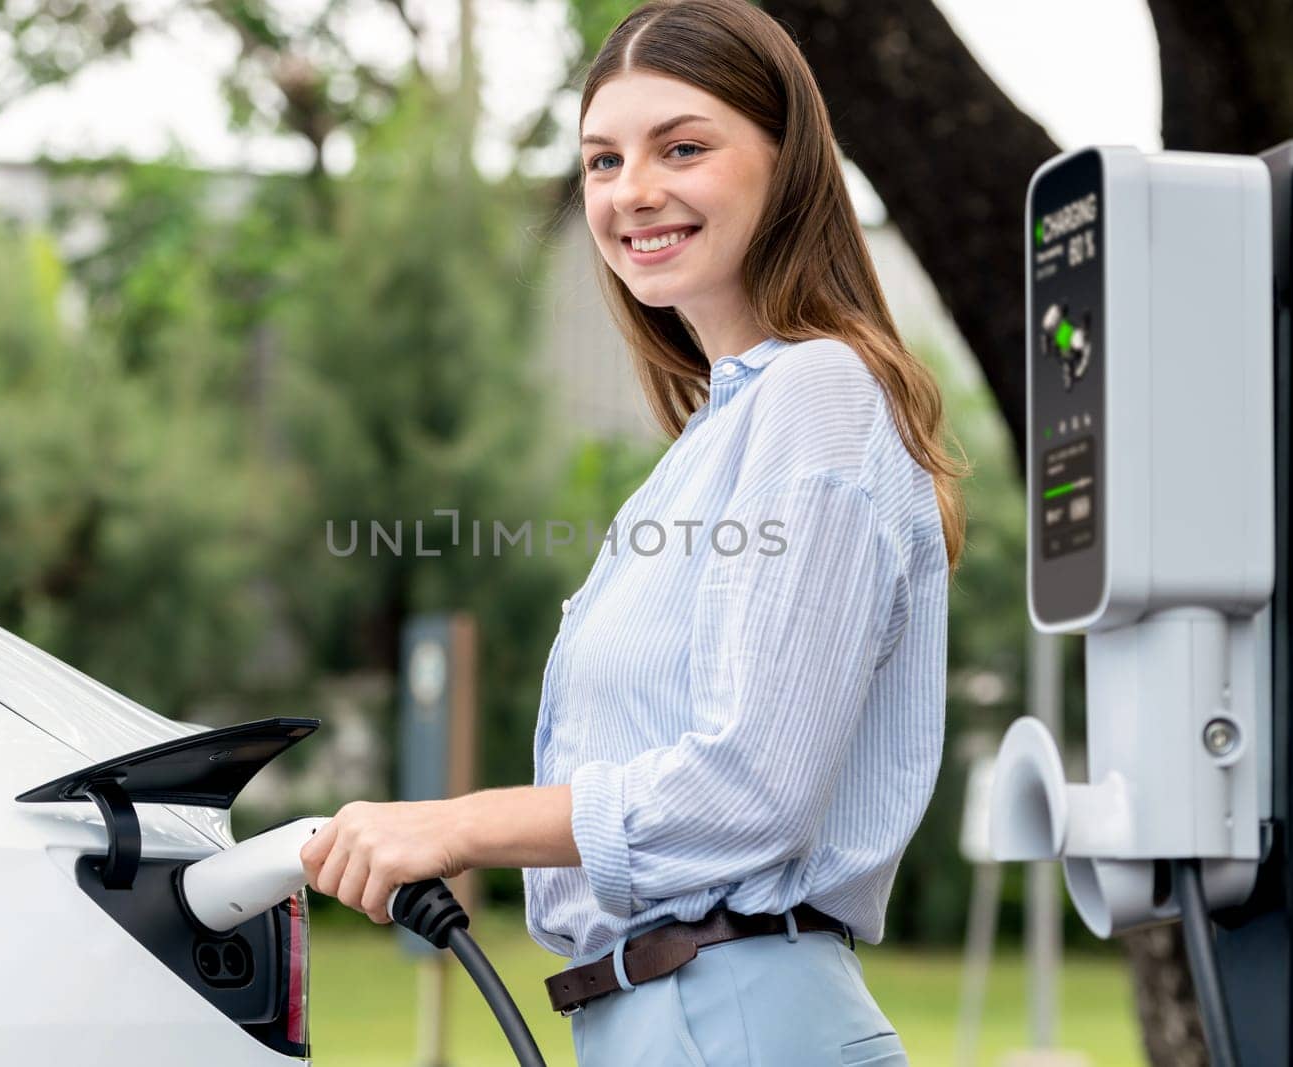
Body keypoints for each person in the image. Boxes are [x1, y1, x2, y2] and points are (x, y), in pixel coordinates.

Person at [300, 0, 966, 1061]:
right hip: (664, 1019)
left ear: (789, 165)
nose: (632, 190)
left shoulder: (818, 394)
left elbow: (752, 789)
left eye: (683, 147)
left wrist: (453, 823)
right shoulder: (716, 432)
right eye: (602, 159)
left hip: (736, 1014)